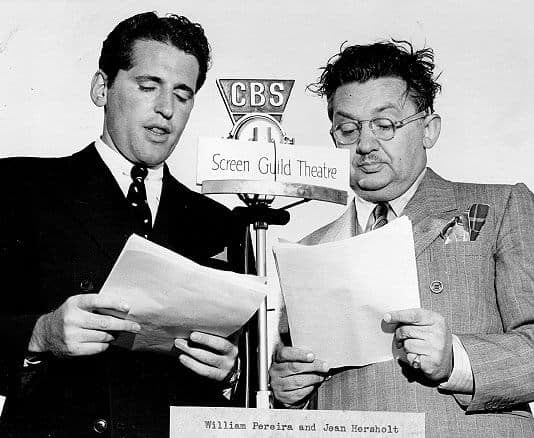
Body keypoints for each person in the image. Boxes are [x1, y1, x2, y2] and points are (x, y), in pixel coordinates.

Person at [0, 12, 249, 438]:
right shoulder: (17, 188)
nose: (166, 109)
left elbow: (242, 371)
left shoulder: (218, 223)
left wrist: (229, 371)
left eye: (183, 94)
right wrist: (40, 334)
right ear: (103, 88)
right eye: (147, 86)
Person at [270, 40, 534, 437]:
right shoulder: (306, 251)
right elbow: (295, 389)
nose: (364, 144)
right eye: (347, 129)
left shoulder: (501, 206)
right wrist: (288, 392)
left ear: (429, 130)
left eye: (385, 125)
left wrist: (457, 359)